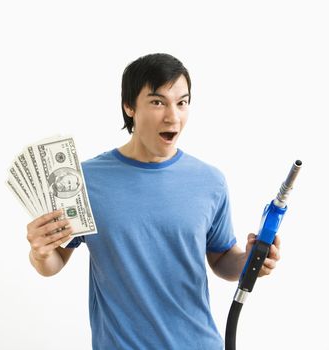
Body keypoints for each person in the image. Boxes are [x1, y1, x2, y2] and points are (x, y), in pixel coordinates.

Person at [27, 53, 280, 350]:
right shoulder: (84, 180)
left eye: (182, 102)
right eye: (158, 102)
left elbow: (223, 259)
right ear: (129, 106)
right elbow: (53, 262)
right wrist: (40, 253)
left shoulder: (210, 181)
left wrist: (251, 260)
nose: (173, 116)